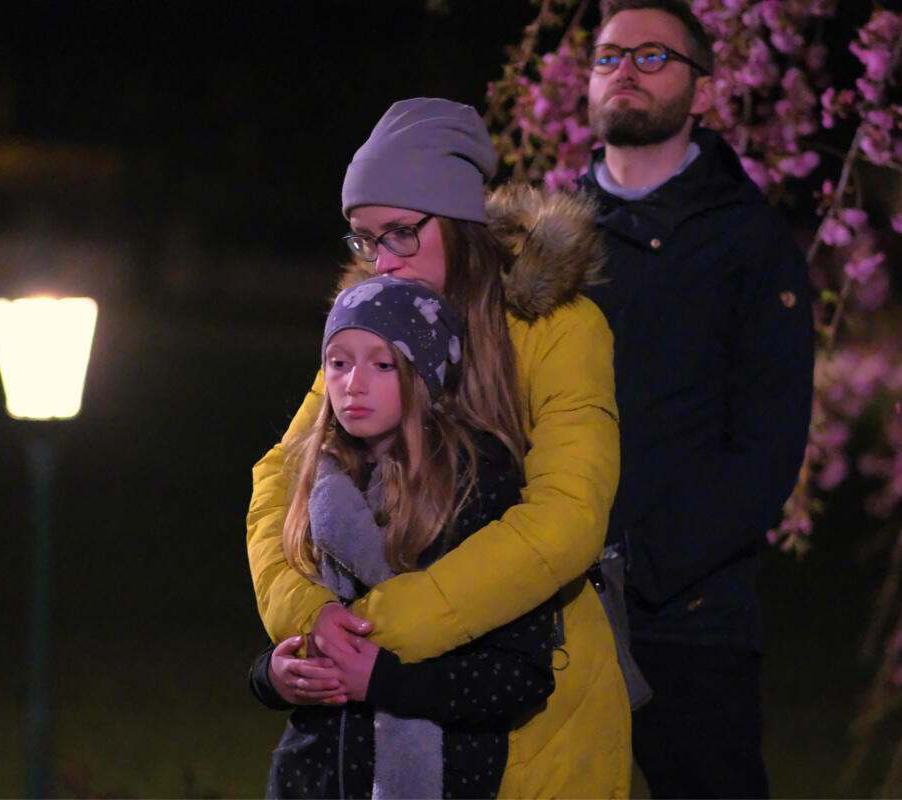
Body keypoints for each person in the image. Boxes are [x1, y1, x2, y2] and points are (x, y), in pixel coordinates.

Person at [247, 97, 631, 798]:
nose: (383, 262)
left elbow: (567, 516)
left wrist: (377, 627)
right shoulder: (375, 324)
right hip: (365, 712)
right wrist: (310, 619)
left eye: (401, 234)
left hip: (533, 706)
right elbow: (284, 473)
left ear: (456, 222)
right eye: (366, 240)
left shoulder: (559, 327)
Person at [577, 1, 815, 797]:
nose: (626, 72)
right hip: (546, 606)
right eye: (609, 57)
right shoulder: (545, 239)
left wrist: (644, 565)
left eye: (653, 57)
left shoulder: (749, 242)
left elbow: (768, 448)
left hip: (691, 619)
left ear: (704, 92)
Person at [249, 274, 559, 799]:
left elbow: (520, 676)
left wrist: (387, 683)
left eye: (382, 365)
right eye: (338, 363)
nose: (354, 383)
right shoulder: (317, 481)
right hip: (311, 781)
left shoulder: (474, 489)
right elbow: (296, 639)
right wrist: (273, 676)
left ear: (425, 373)